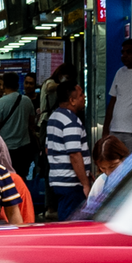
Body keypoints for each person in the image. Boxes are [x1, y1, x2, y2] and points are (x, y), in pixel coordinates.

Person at [45, 79, 89, 217]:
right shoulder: (71, 122)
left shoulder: (54, 117)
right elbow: (74, 154)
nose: (84, 97)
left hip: (58, 180)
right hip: (71, 183)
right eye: (81, 95)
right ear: (72, 101)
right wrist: (85, 183)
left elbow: (48, 149)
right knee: (71, 221)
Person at [0, 71, 35, 157]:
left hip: (6, 145)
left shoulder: (1, 102)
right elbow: (31, 121)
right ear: (17, 85)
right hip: (24, 145)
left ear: (4, 85)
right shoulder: (27, 100)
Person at [83, 134, 131, 212]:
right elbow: (90, 211)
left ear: (123, 159)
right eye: (103, 168)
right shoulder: (101, 182)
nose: (108, 172)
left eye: (113, 166)